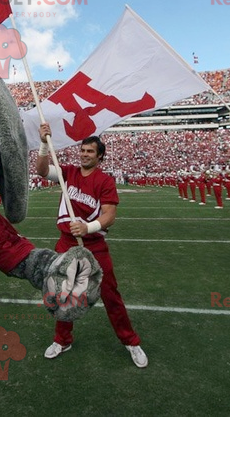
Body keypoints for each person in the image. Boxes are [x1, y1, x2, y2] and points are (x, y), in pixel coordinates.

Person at [36, 123, 147, 368]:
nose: (85, 154)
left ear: (99, 156)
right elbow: (42, 170)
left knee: (110, 294)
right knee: (64, 292)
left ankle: (131, 341)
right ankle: (62, 339)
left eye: (90, 151)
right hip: (66, 243)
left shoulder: (104, 181)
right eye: (83, 150)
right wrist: (44, 143)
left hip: (94, 247)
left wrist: (89, 228)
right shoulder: (69, 173)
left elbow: (110, 215)